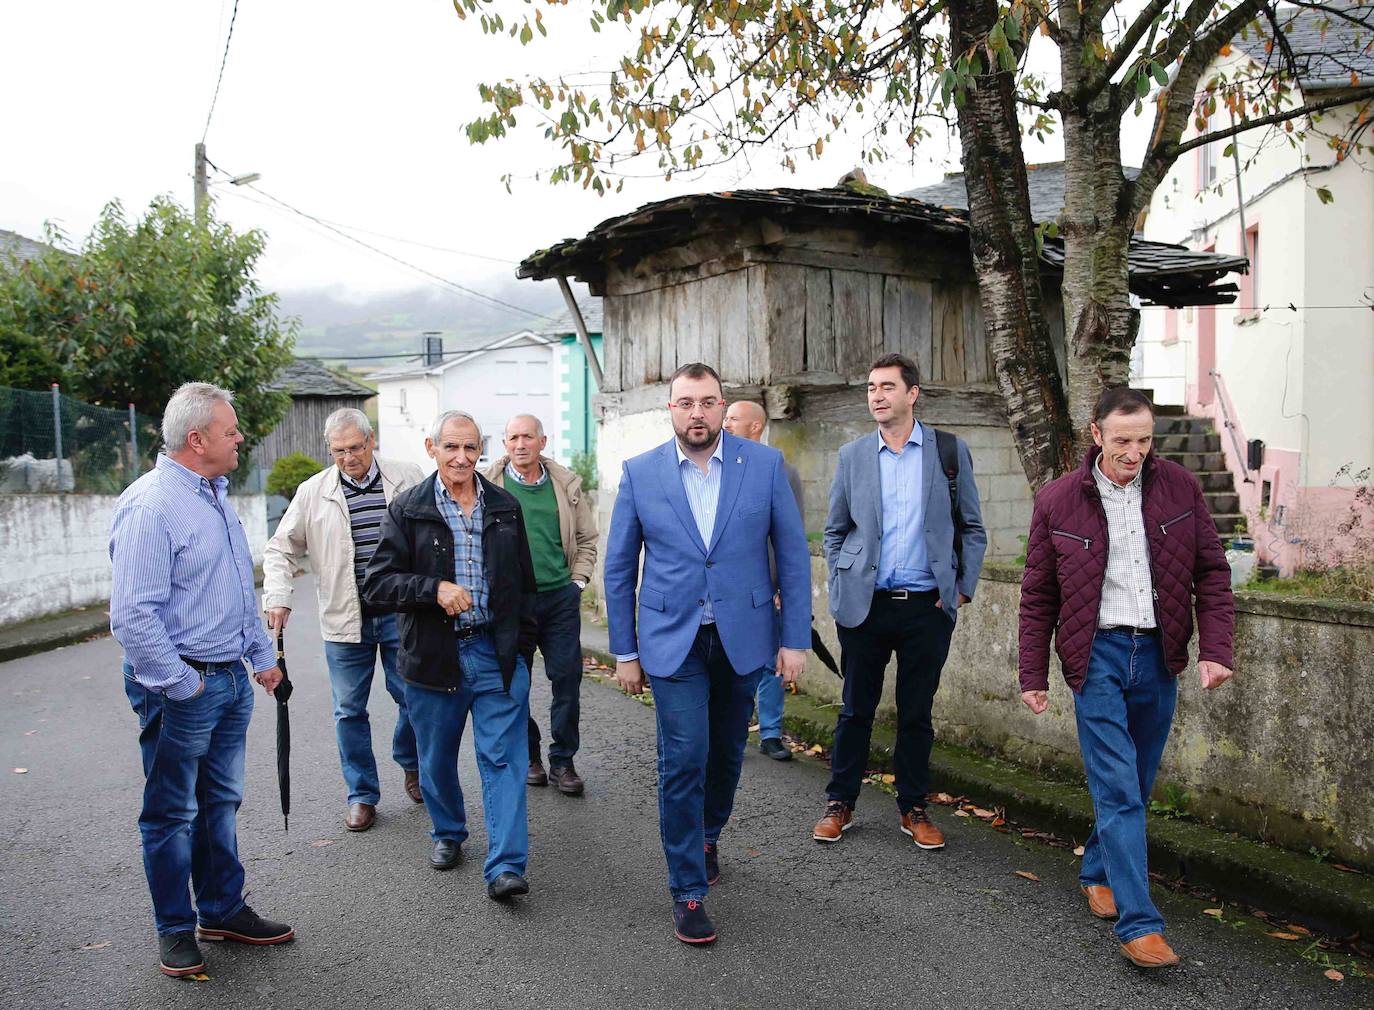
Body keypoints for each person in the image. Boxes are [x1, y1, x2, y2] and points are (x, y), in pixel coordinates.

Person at [1018, 386, 1234, 969]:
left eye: (1143, 441)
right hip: (1097, 657)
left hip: (1160, 656)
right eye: (1122, 441)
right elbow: (1038, 595)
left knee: (1134, 786)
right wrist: (1031, 673)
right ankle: (1140, 925)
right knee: (1118, 790)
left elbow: (1212, 572)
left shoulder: (1179, 488)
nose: (1134, 452)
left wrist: (1216, 649)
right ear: (1096, 435)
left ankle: (1096, 867)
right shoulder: (1058, 499)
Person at [604, 362, 810, 945]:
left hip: (744, 636)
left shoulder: (764, 466)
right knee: (684, 757)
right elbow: (619, 571)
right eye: (685, 402)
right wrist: (624, 650)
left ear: (723, 408)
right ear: (670, 409)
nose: (697, 412)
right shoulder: (640, 474)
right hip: (673, 641)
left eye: (707, 402)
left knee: (725, 754)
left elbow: (792, 558)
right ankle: (687, 889)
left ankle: (709, 831)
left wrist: (793, 638)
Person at [110, 382, 294, 978]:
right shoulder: (152, 504)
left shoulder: (213, 493)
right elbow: (133, 615)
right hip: (182, 685)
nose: (240, 437)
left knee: (219, 804)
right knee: (171, 815)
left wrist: (261, 657)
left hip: (231, 680)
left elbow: (237, 591)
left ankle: (221, 909)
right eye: (231, 430)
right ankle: (175, 929)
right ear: (197, 440)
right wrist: (183, 685)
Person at [812, 353, 987, 850]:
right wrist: (845, 578)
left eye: (887, 387)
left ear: (912, 394)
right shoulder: (853, 456)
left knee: (916, 713)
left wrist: (960, 588)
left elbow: (972, 527)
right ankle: (839, 802)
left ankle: (913, 807)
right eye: (871, 388)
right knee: (855, 710)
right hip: (866, 605)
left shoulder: (949, 452)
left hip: (927, 608)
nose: (876, 396)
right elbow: (835, 529)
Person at [362, 410, 538, 901]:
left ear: (481, 450)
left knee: (503, 759)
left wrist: (520, 651)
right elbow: (377, 582)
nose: (461, 458)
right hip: (433, 656)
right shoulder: (407, 508)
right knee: (436, 759)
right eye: (450, 448)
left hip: (493, 653)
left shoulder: (504, 506)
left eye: (470, 448)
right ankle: (448, 831)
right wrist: (432, 588)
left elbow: (525, 587)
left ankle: (505, 865)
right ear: (431, 447)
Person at [262, 408, 427, 832]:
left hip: (402, 616)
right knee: (349, 711)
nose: (348, 457)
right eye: (339, 451)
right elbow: (280, 549)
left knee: (412, 699)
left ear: (372, 442)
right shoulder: (313, 491)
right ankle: (362, 794)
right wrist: (278, 596)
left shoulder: (407, 477)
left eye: (355, 447)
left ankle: (412, 766)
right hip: (344, 620)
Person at [482, 413, 598, 795]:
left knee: (567, 680)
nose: (520, 444)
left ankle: (563, 761)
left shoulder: (565, 485)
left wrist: (578, 581)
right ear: (504, 444)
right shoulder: (487, 486)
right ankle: (530, 755)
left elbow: (586, 539)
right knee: (516, 683)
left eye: (527, 437)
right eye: (513, 437)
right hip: (511, 603)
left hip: (559, 598)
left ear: (542, 442)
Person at [722, 399, 804, 762]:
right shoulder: (716, 467)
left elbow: (789, 539)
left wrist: (780, 587)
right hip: (727, 588)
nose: (725, 425)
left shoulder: (782, 471)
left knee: (772, 663)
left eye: (733, 419)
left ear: (755, 426)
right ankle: (733, 728)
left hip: (766, 590)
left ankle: (770, 732)